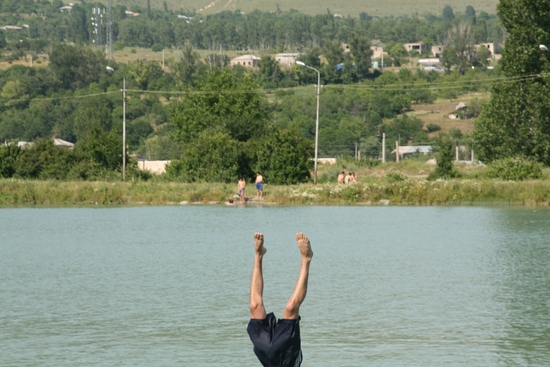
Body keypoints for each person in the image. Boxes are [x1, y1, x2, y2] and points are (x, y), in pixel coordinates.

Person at [247, 232, 313, 367]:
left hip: (268, 358)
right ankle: (306, 258)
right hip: (288, 360)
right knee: (291, 307)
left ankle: (258, 255)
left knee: (255, 306)